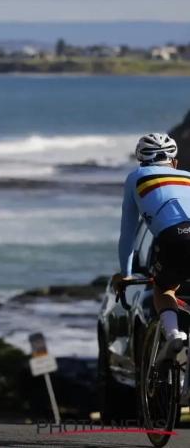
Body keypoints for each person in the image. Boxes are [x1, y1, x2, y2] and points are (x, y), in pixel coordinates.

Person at [113, 133, 190, 365]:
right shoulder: (188, 177)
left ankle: (174, 336)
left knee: (164, 289)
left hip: (172, 239)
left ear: (142, 161)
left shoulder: (136, 178)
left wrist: (125, 273)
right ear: (174, 162)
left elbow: (128, 232)